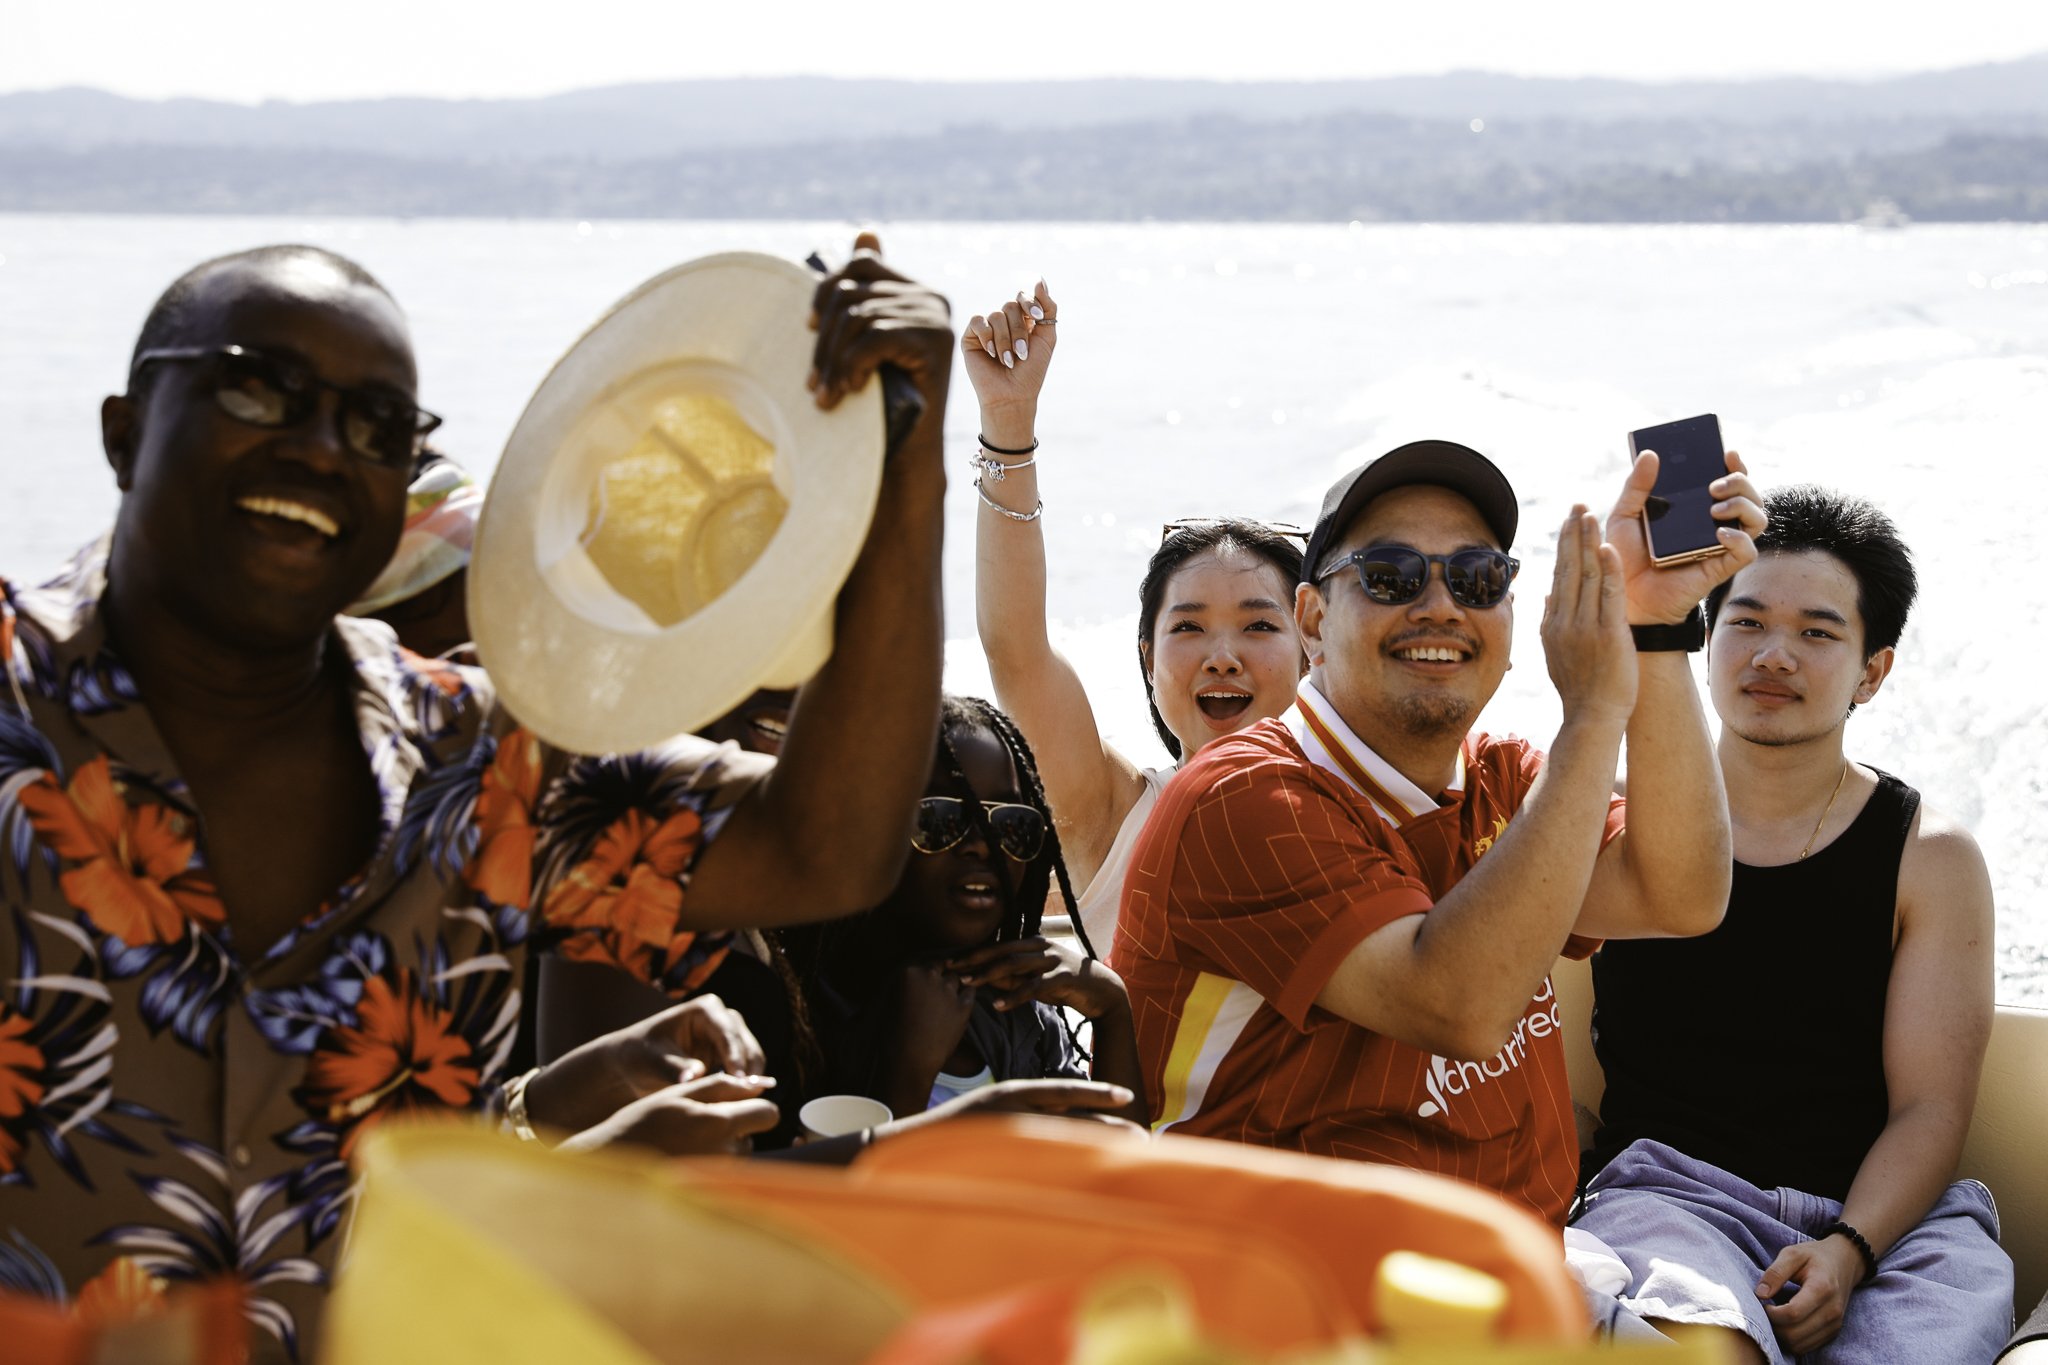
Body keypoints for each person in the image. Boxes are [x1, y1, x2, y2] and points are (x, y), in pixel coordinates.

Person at [0, 236, 1114, 1359]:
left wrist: (901, 469)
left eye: (380, 424)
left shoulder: (470, 757)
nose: (324, 446)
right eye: (259, 389)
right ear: (124, 430)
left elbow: (825, 847)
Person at [1111, 437, 1765, 1232]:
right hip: (1286, 1276)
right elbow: (1460, 1006)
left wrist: (1654, 629)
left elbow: (1683, 893)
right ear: (1313, 620)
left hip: (1513, 1263)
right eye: (1391, 575)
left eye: (1477, 577)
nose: (1441, 605)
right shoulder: (1240, 798)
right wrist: (1593, 715)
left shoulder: (1506, 778)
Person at [1573, 486, 2011, 1363]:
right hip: (1665, 1199)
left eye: (1817, 632)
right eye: (1746, 622)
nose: (1774, 654)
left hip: (1888, 1225)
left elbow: (1928, 1107)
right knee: (1705, 1348)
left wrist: (1849, 1248)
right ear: (1704, 640)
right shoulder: (1608, 819)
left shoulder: (1930, 857)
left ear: (1872, 672)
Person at [961, 282, 1306, 952]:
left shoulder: (1372, 807)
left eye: (1260, 625)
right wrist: (1007, 422)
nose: (1222, 656)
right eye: (1188, 627)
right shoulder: (1115, 821)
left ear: (1312, 649)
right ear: (1148, 658)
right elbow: (1015, 647)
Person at [776, 694, 1147, 1127]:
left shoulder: (1022, 1011)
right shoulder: (803, 1011)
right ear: (872, 832)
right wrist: (909, 1067)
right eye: (942, 819)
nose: (981, 845)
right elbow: (839, 1170)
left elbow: (1120, 1165)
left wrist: (1112, 1010)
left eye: (1011, 824)